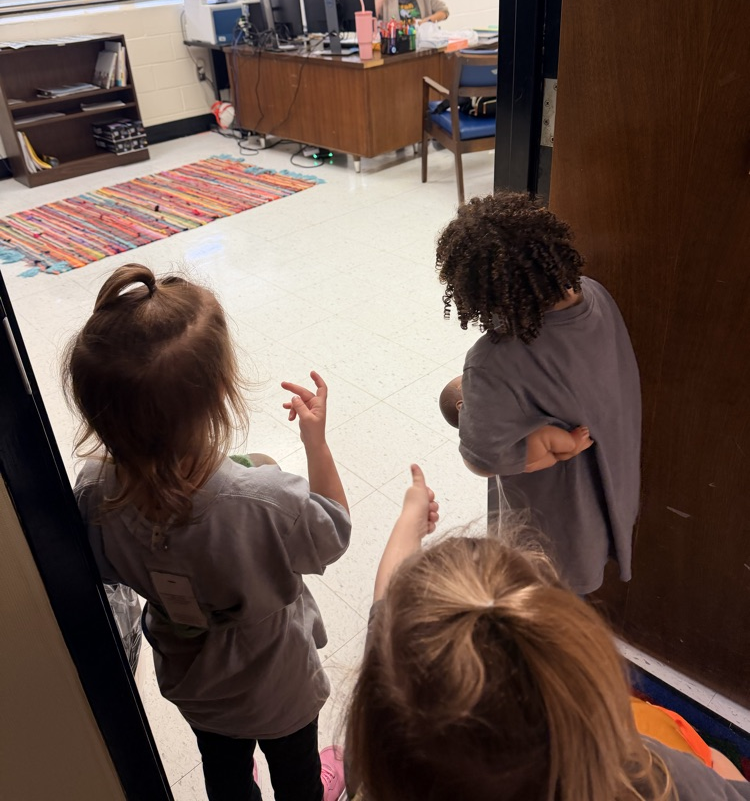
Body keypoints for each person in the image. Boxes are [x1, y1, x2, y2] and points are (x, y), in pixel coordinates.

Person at [65, 263, 350, 801]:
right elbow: (332, 531)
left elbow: (101, 566)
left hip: (194, 683)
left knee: (221, 767)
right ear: (221, 390)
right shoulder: (268, 497)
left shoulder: (94, 492)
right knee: (296, 772)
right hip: (278, 683)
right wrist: (316, 442)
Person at [344, 468, 750, 801]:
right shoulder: (647, 779)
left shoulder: (380, 761)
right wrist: (717, 768)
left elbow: (387, 599)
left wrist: (409, 522)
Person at [435, 190, 641, 595]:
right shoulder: (596, 295)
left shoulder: (494, 361)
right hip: (614, 483)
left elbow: (484, 460)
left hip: (553, 530)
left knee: (543, 601)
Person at [439, 374, 593, 470]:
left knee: (533, 463)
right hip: (509, 452)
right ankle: (572, 443)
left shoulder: (473, 430)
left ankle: (558, 456)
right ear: (461, 406)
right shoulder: (483, 412)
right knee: (544, 435)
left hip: (493, 463)